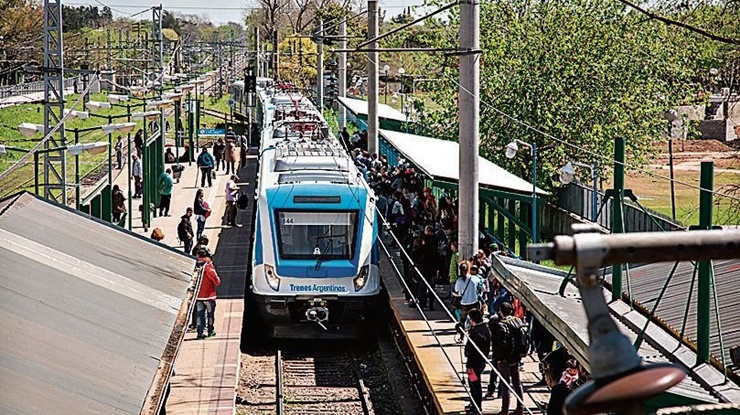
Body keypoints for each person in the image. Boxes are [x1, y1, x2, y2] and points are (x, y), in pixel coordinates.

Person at [491, 302, 525, 415]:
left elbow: (500, 344)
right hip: (516, 357)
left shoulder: (501, 325)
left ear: (500, 311)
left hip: (505, 359)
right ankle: (520, 407)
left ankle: (505, 409)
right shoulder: (518, 321)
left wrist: (498, 358)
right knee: (517, 383)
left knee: (505, 384)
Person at [464, 308, 491, 414]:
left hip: (474, 364)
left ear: (472, 319)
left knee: (474, 384)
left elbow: (472, 351)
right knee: (473, 383)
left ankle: (476, 405)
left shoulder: (476, 333)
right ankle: (473, 403)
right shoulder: (485, 329)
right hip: (481, 362)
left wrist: (469, 366)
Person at [195, 249, 221, 339]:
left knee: (199, 315)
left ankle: (200, 333)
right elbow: (217, 282)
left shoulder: (195, 267)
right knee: (210, 315)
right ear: (206, 257)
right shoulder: (209, 269)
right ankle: (210, 331)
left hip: (198, 296)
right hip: (210, 296)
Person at [454, 262, 481, 326]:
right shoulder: (474, 279)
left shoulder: (459, 281)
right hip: (474, 301)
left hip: (464, 303)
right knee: (476, 319)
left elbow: (456, 290)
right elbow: (481, 287)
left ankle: (462, 333)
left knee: (462, 320)